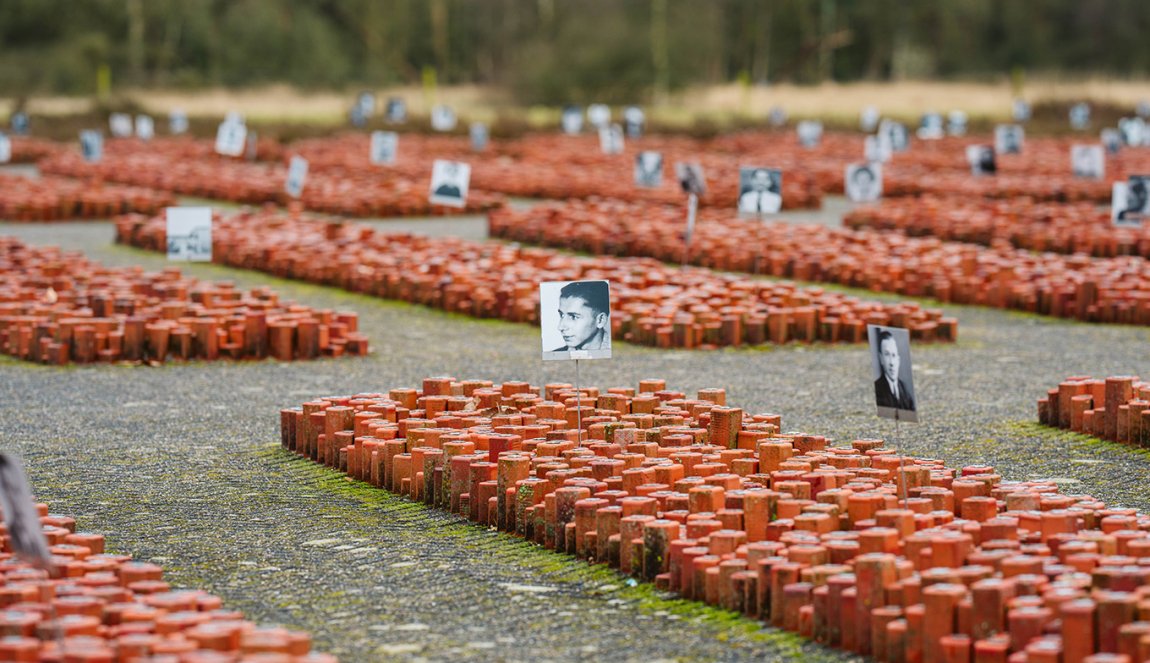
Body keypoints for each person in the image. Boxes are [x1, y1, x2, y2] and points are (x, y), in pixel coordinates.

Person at [552, 281, 610, 352]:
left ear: (601, 320)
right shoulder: (556, 354)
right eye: (562, 315)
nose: (560, 327)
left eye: (573, 317)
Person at [874, 330, 915, 411]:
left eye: (893, 355)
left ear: (898, 359)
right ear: (881, 358)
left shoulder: (905, 390)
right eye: (887, 355)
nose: (891, 363)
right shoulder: (877, 389)